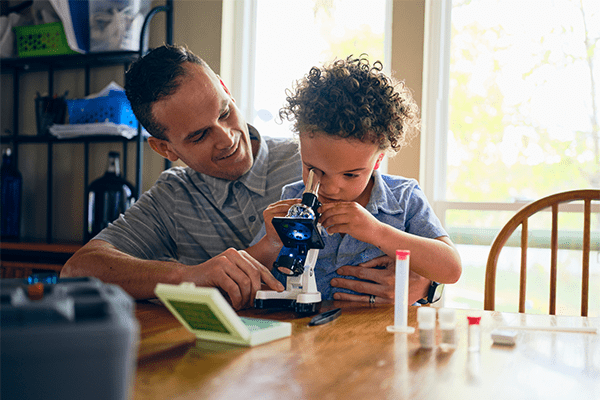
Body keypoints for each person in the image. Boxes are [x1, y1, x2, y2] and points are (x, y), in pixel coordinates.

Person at [61, 45, 433, 309]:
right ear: (164, 149)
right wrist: (188, 276)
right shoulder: (170, 199)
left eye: (224, 113)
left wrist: (422, 284)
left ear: (225, 88)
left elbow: (403, 230)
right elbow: (78, 269)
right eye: (199, 135)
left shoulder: (320, 160)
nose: (228, 139)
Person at [248, 55, 461, 303]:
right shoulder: (291, 199)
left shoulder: (403, 199)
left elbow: (451, 268)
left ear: (378, 160)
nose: (332, 186)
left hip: (382, 334)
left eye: (350, 175)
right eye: (313, 169)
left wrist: (377, 232)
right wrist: (271, 242)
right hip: (307, 333)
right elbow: (248, 271)